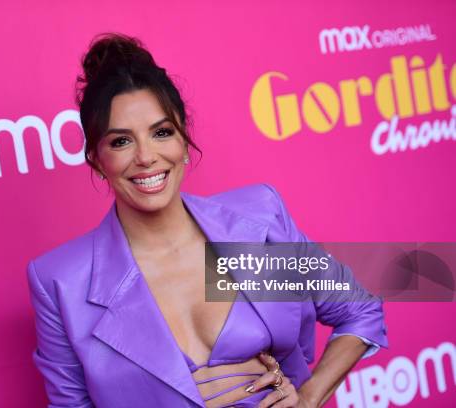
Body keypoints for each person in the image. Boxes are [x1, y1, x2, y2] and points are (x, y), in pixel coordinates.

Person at [26, 32, 388, 408]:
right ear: (97, 161)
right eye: (121, 142)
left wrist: (309, 398)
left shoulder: (258, 218)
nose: (146, 156)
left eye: (162, 133)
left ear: (183, 139)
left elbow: (358, 309)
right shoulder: (61, 282)